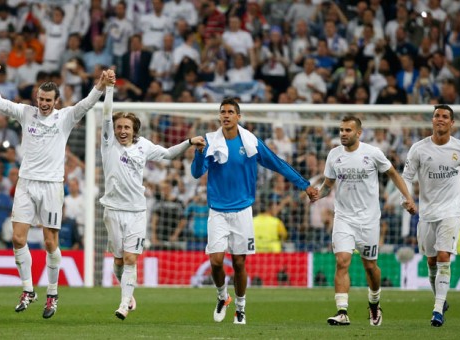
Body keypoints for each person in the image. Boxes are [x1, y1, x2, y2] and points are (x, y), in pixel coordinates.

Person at [0, 61, 114, 319]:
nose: (44, 103)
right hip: (26, 182)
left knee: (50, 242)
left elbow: (85, 104)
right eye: (41, 98)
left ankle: (52, 293)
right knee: (17, 238)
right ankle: (28, 289)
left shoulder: (65, 117)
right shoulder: (26, 113)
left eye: (48, 99)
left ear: (56, 101)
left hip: (51, 186)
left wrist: (100, 86)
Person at [191, 98, 319, 325]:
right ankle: (223, 297)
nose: (226, 115)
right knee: (217, 261)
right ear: (219, 116)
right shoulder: (210, 141)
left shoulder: (251, 142)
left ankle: (240, 308)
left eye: (231, 112)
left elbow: (278, 163)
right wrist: (199, 153)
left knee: (239, 263)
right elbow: (196, 173)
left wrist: (304, 184)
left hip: (242, 210)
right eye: (223, 112)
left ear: (239, 117)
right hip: (217, 210)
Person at [100, 78, 206, 320]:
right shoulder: (108, 143)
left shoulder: (143, 146)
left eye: (127, 127)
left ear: (134, 129)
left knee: (130, 258)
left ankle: (124, 304)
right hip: (112, 210)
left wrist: (189, 142)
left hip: (137, 211)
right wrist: (109, 88)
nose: (123, 130)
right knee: (118, 260)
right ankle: (127, 293)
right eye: (119, 127)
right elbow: (106, 114)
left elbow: (168, 154)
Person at [317, 116, 417, 327]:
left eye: (347, 130)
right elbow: (328, 184)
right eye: (341, 130)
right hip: (343, 218)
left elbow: (392, 173)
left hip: (369, 220)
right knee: (342, 261)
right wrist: (317, 194)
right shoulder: (334, 155)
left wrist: (407, 197)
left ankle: (374, 304)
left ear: (358, 133)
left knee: (370, 267)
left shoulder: (372, 153)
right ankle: (342, 311)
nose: (343, 133)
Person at [401, 104, 460, 327]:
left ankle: (437, 310)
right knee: (431, 260)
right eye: (437, 116)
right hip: (427, 212)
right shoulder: (419, 148)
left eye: (445, 116)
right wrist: (406, 198)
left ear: (452, 123)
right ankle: (440, 299)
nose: (440, 119)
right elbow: (406, 176)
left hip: (452, 211)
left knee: (444, 256)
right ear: (432, 120)